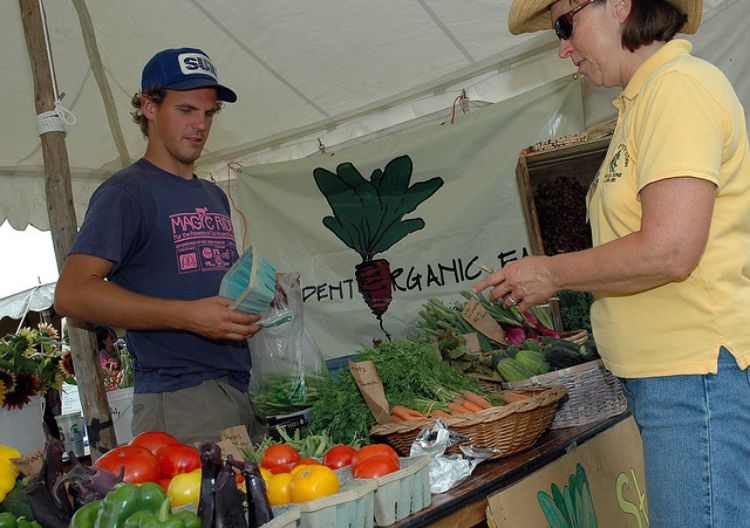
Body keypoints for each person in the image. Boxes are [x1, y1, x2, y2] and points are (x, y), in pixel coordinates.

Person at [474, 1, 750, 526]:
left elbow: (669, 249)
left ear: (620, 4)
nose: (563, 47)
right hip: (674, 380)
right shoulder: (642, 102)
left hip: (693, 377)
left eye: (564, 23)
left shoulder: (678, 87)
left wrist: (551, 272)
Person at [54, 47, 263, 444]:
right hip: (180, 399)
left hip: (238, 388)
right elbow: (72, 293)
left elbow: (206, 289)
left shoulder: (212, 195)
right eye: (185, 110)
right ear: (149, 107)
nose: (200, 124)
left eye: (209, 113)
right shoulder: (126, 192)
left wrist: (259, 293)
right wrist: (189, 316)